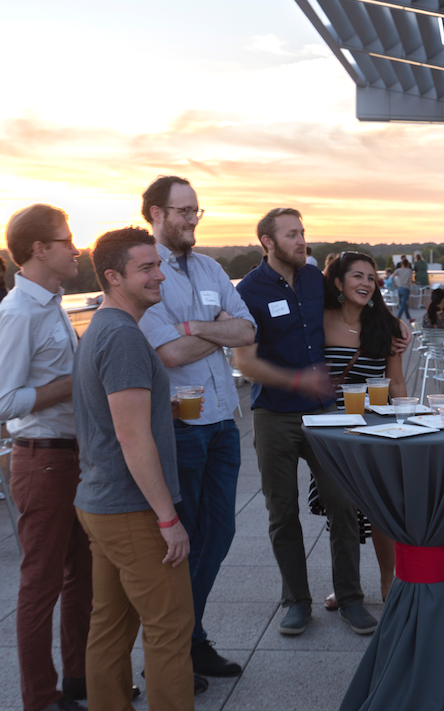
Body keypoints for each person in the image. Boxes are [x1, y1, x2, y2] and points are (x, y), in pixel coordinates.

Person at [234, 208, 382, 637]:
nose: (302, 241)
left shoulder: (317, 282)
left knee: (344, 505)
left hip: (323, 416)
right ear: (267, 241)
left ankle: (350, 598)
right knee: (282, 512)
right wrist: (298, 380)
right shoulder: (248, 291)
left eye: (303, 232)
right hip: (273, 415)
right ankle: (296, 601)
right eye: (292, 234)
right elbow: (245, 364)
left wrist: (395, 327)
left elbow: (359, 304)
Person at [136, 176, 256, 680]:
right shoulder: (144, 274)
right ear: (155, 214)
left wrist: (191, 326)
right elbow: (169, 353)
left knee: (220, 533)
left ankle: (191, 635)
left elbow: (248, 330)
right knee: (184, 540)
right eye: (183, 211)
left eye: (196, 211)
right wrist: (213, 328)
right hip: (181, 426)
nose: (192, 220)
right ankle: (175, 647)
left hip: (225, 421)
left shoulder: (210, 267)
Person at [73, 227, 194, 711]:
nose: (159, 275)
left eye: (158, 265)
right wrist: (168, 518)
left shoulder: (101, 327)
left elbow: (118, 419)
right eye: (146, 268)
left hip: (99, 504)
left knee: (110, 625)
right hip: (132, 510)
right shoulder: (123, 336)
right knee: (169, 628)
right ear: (112, 277)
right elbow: (130, 436)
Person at [0, 204, 94, 711]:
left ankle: (80, 681)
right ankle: (41, 699)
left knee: (83, 577)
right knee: (42, 584)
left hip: (74, 458)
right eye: (67, 240)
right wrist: (72, 385)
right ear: (38, 249)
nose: (76, 248)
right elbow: (1, 405)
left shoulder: (52, 302)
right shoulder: (16, 312)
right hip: (43, 462)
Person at [316, 252, 404, 608]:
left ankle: (389, 583)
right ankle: (347, 585)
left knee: (380, 510)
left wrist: (404, 422)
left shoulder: (387, 326)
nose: (366, 283)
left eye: (371, 277)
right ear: (338, 283)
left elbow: (395, 381)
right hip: (333, 431)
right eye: (357, 276)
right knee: (342, 512)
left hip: (377, 427)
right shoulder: (318, 322)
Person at [393, 258, 413, 322]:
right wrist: (413, 283)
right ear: (408, 264)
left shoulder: (398, 270)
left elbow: (392, 277)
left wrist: (395, 284)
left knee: (404, 304)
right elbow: (410, 282)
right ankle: (397, 319)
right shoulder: (409, 271)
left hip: (399, 288)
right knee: (402, 305)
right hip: (406, 289)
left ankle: (409, 318)